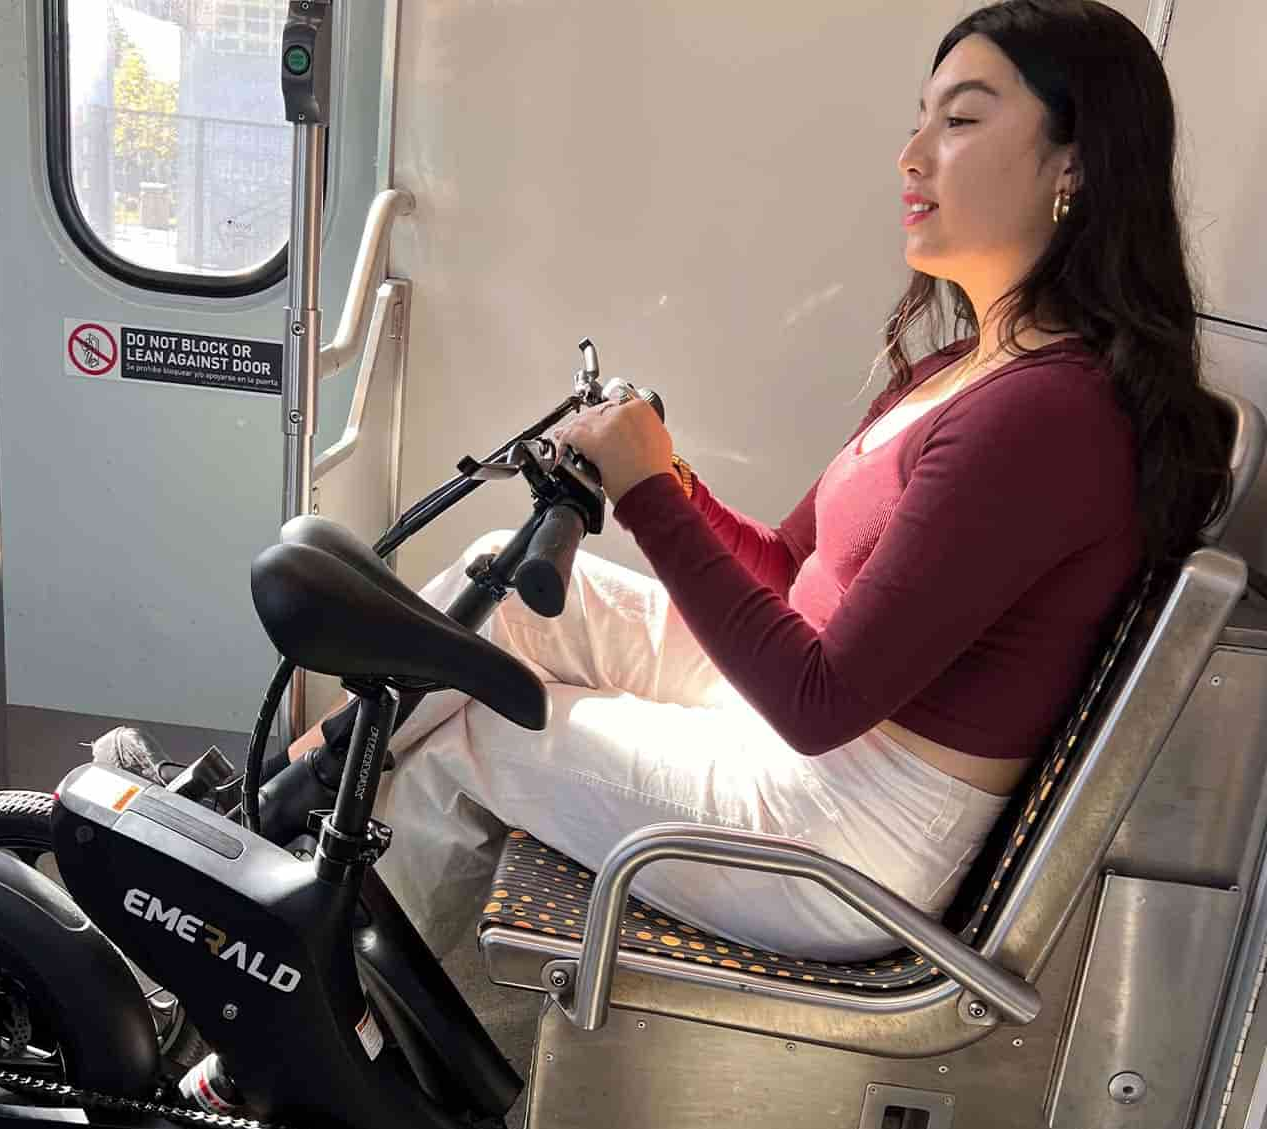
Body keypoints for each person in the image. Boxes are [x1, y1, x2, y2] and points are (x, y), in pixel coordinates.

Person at [269, 0, 1235, 961]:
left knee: (470, 718)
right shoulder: (965, 369)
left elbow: (818, 703)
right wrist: (667, 474)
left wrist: (646, 492)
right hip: (812, 745)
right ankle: (282, 807)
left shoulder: (1047, 417)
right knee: (501, 591)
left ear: (1078, 162)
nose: (912, 155)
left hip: (849, 831)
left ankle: (323, 1020)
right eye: (921, 117)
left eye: (962, 119)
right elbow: (782, 568)